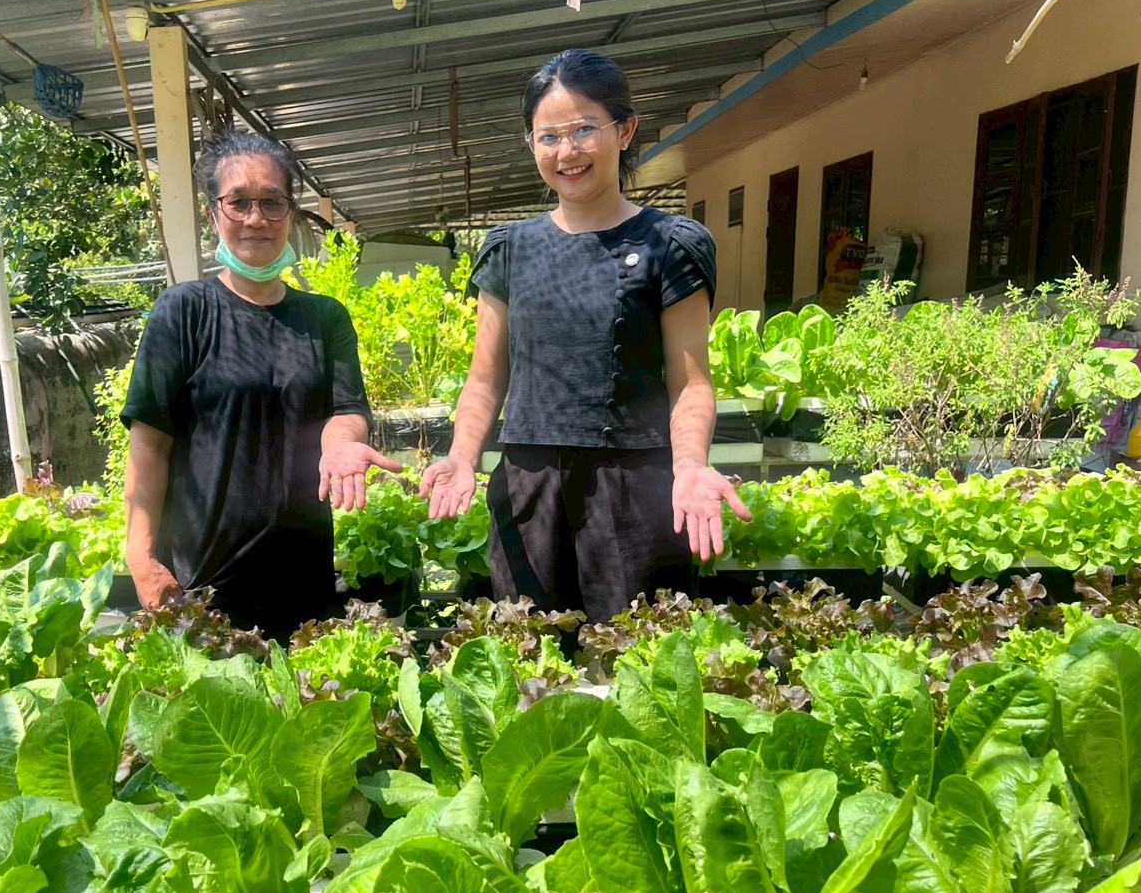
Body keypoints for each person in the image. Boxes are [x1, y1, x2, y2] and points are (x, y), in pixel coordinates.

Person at [420, 49, 751, 622]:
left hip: (636, 488)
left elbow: (690, 383)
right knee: (535, 665)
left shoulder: (670, 243)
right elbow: (485, 377)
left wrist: (692, 465)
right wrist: (462, 455)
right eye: (547, 137)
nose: (566, 152)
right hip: (528, 490)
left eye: (583, 131)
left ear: (624, 131)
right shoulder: (508, 249)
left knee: (636, 662)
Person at [121, 130, 399, 640]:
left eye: (272, 202)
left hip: (302, 577)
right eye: (239, 202)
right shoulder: (184, 311)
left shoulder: (323, 317)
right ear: (213, 215)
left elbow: (348, 407)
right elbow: (150, 443)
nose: (256, 218)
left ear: (290, 214)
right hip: (200, 579)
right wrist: (141, 556)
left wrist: (341, 443)